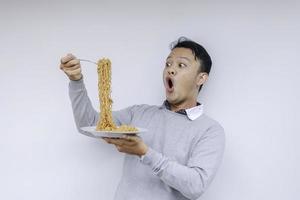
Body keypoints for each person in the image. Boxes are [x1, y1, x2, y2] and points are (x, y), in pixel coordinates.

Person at [59, 37, 225, 200]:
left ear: (201, 78)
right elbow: (88, 124)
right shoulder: (139, 113)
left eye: (181, 65)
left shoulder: (210, 130)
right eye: (168, 64)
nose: (170, 69)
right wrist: (76, 82)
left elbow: (196, 186)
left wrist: (145, 153)